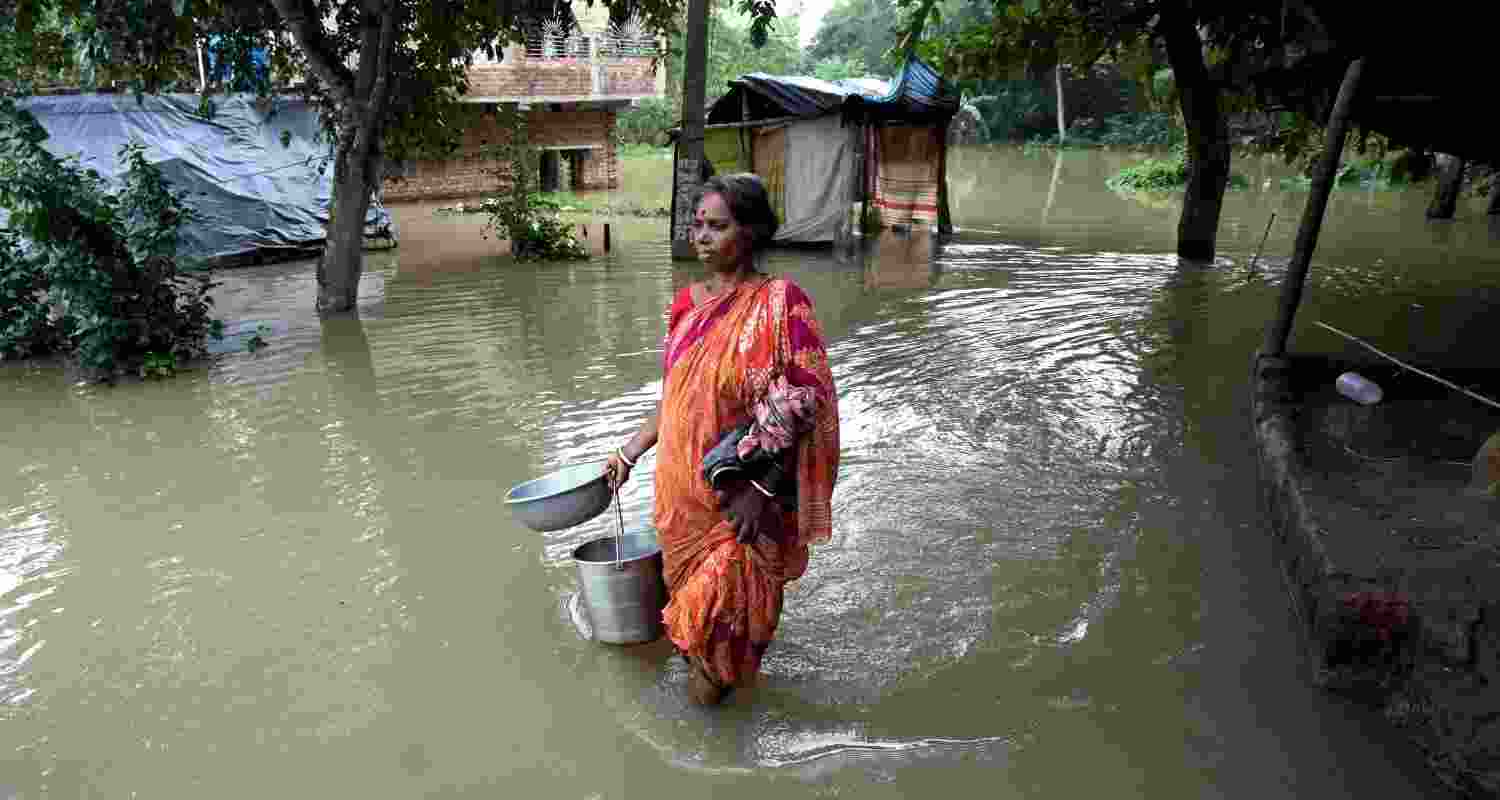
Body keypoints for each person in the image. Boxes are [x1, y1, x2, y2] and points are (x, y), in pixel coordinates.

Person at [605, 173, 840, 706]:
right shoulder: (686, 305)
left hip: (739, 503)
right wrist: (629, 450)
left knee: (716, 651)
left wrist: (761, 493)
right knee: (696, 636)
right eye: (697, 224)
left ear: (751, 232)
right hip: (680, 501)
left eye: (718, 226)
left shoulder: (782, 303)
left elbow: (808, 401)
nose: (702, 237)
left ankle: (708, 754)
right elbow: (677, 396)